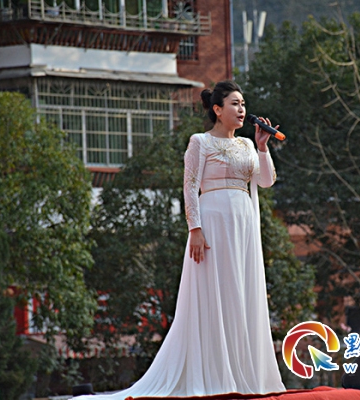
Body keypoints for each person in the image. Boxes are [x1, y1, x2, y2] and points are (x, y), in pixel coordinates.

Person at [76, 80, 285, 398]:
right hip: (213, 222)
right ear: (217, 109)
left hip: (243, 223)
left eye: (243, 104)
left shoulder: (246, 145)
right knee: (215, 292)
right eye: (235, 103)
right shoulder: (200, 142)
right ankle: (215, 374)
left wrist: (262, 147)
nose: (242, 109)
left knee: (242, 292)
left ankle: (245, 373)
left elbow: (266, 181)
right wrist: (195, 229)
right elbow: (190, 186)